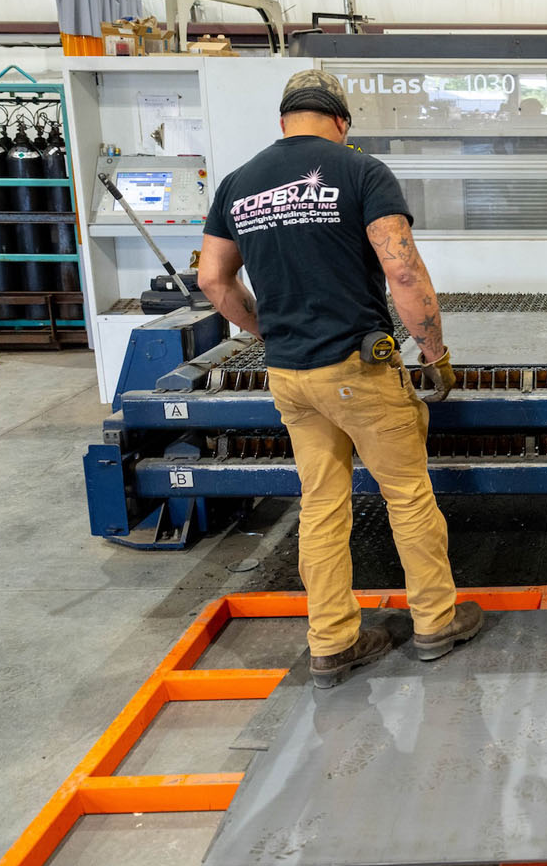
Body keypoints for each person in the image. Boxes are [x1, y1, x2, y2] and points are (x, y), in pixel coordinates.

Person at [199, 69, 483, 688]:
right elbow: (403, 274)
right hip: (359, 369)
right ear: (342, 120)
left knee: (322, 505)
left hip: (291, 377)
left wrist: (263, 331)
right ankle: (435, 621)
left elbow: (213, 281)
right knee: (406, 495)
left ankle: (331, 641)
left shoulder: (237, 184)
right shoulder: (360, 171)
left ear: (282, 121)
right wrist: (433, 352)